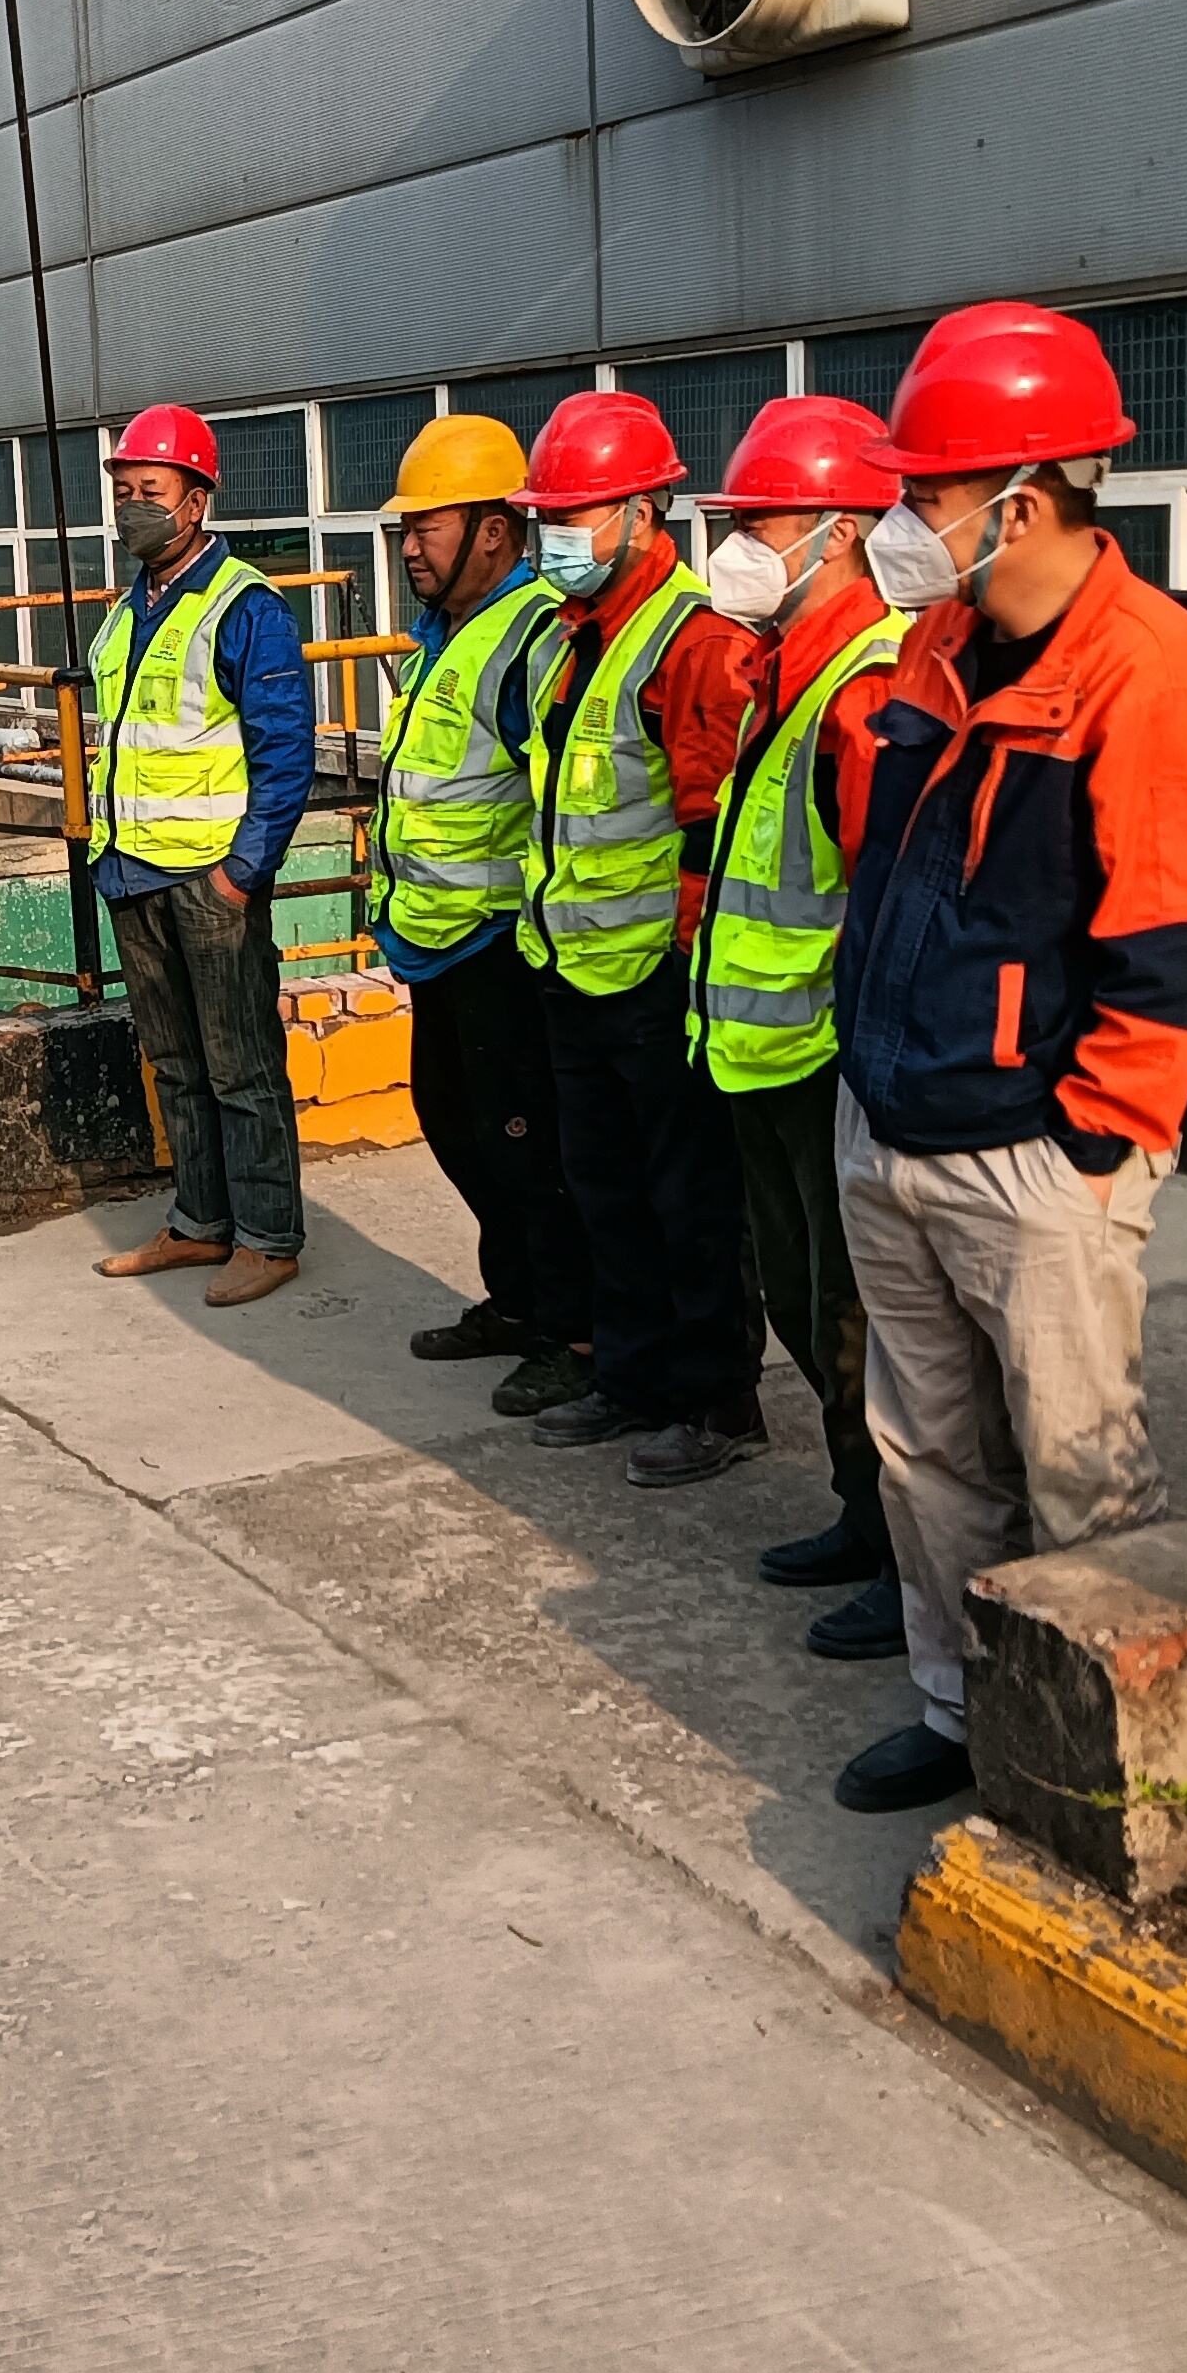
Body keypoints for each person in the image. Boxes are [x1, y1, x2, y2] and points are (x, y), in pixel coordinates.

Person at [828, 304, 1187, 1812]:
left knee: (1080, 1474)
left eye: (924, 491)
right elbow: (889, 868)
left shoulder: (1157, 673)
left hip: (1035, 1159)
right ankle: (963, 1717)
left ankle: (1120, 1777)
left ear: (1017, 499)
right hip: (891, 1122)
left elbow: (1173, 947)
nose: (902, 519)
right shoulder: (941, 639)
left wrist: (1093, 1145)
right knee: (926, 1458)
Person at [509, 393, 768, 1487]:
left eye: (577, 513)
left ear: (644, 512)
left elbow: (714, 823)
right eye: (548, 516)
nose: (555, 537)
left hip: (655, 978)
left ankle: (716, 1400)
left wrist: (682, 954)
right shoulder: (573, 640)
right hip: (574, 967)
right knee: (602, 1187)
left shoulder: (694, 645)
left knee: (688, 1197)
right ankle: (631, 1376)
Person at [684, 398, 908, 1655]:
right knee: (799, 1301)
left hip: (825, 1063)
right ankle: (855, 1515)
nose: (734, 546)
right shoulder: (788, 672)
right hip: (761, 1055)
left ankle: (896, 1550)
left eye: (755, 522)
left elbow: (884, 900)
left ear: (838, 535)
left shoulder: (859, 692)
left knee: (849, 1316)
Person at [369, 414, 591, 1417]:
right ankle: (514, 1301)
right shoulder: (442, 637)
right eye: (404, 530)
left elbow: (560, 798)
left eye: (429, 526)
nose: (409, 546)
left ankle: (570, 1332)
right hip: (437, 942)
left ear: (496, 530)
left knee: (524, 1144)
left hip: (505, 943)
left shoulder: (534, 636)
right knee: (456, 1128)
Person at [84, 402, 316, 1307]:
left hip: (208, 879)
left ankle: (267, 1235)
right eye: (123, 491)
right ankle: (198, 1221)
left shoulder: (244, 606)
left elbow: (284, 752)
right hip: (133, 872)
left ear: (196, 503)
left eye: (151, 490)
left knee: (240, 1062)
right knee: (175, 1061)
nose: (132, 506)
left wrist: (238, 875)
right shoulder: (126, 611)